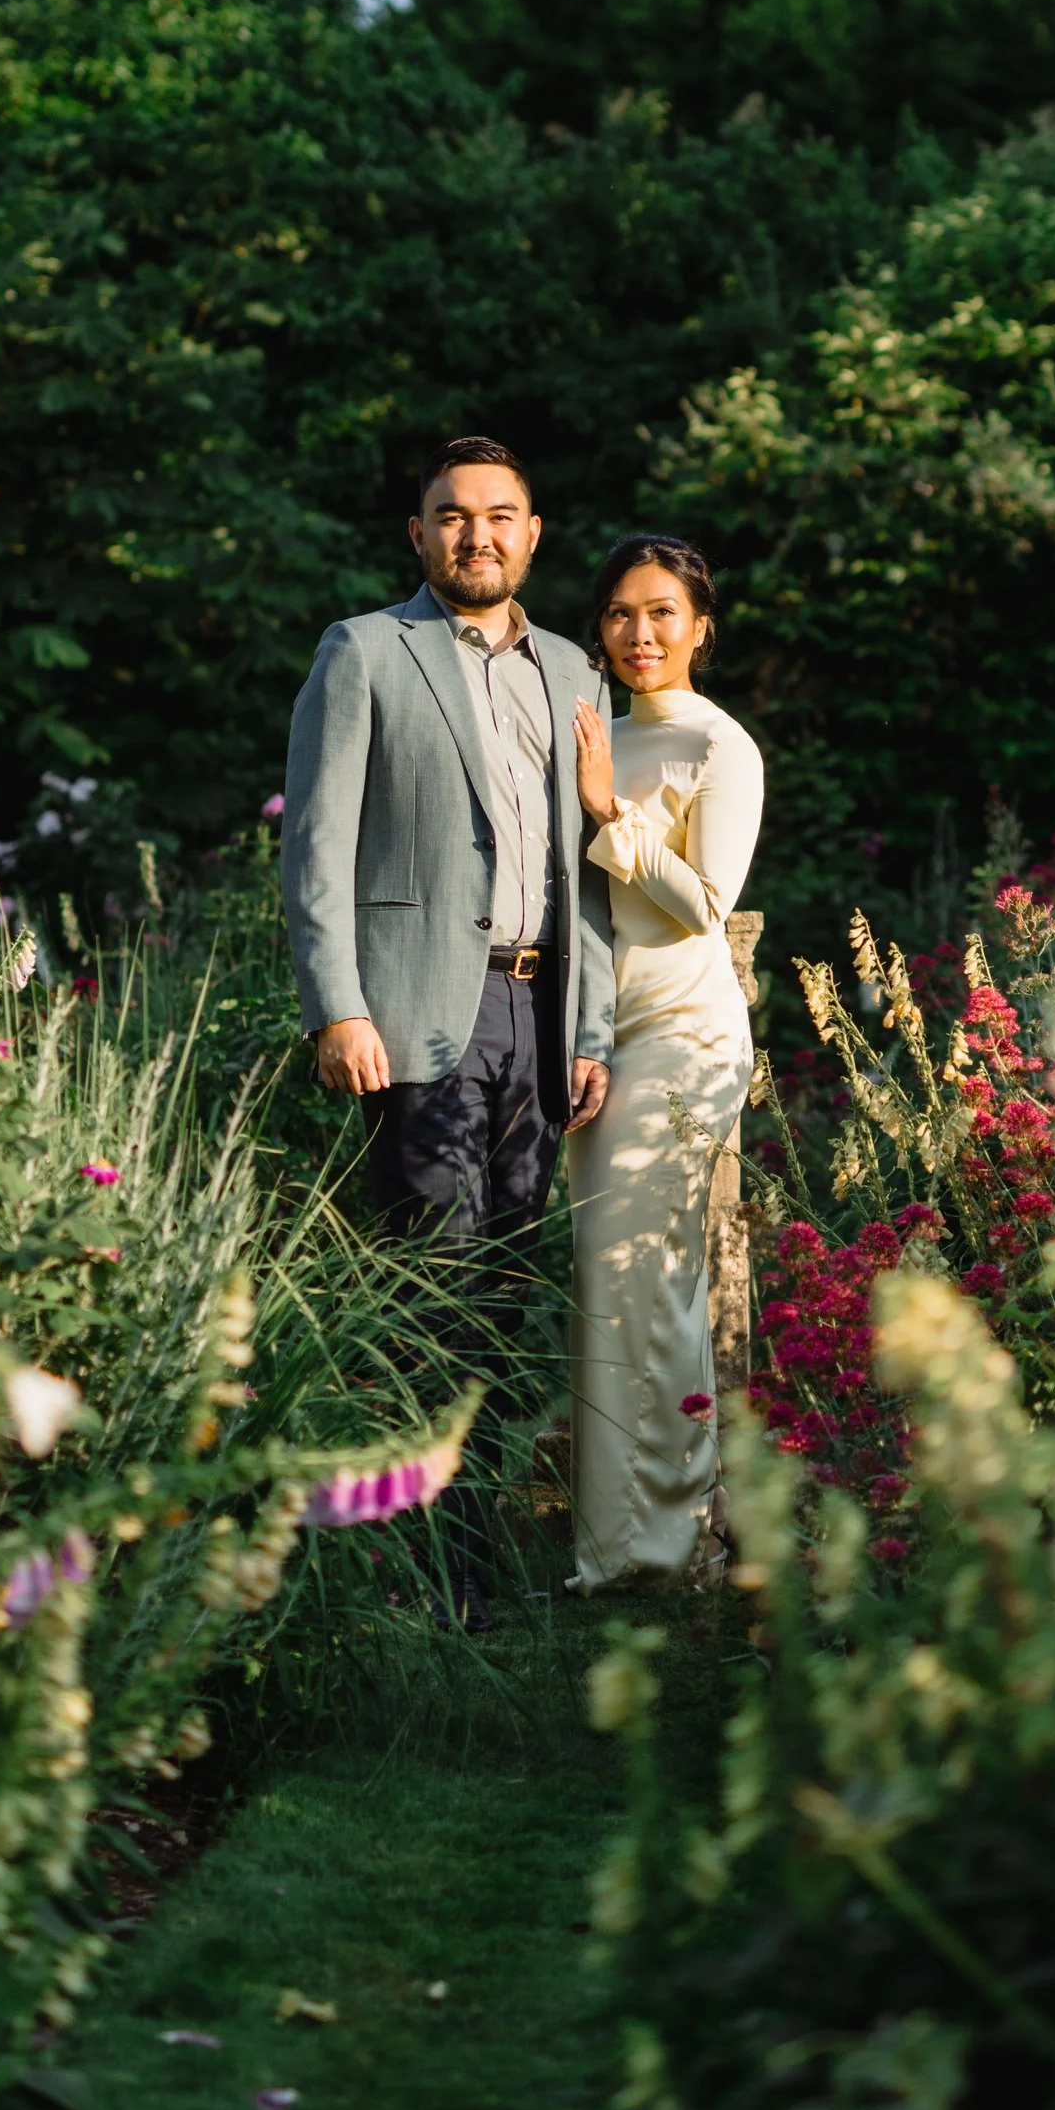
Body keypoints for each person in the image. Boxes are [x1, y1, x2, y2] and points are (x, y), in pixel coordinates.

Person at [280, 436, 615, 1625]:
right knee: (431, 1282)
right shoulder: (368, 650)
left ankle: (455, 1546)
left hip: (540, 1010)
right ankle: (442, 1578)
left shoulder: (575, 670)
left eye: (500, 515)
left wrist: (592, 1027)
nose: (478, 533)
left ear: (532, 533)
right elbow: (314, 845)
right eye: (452, 515)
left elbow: (592, 869)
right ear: (417, 536)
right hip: (421, 1007)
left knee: (509, 1288)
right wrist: (339, 1006)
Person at [567, 532, 764, 1591]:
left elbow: (704, 906)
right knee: (610, 1285)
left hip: (682, 1033)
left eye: (661, 612)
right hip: (601, 1033)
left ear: (700, 627)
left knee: (645, 1279)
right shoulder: (597, 730)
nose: (640, 634)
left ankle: (665, 1548)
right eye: (619, 613)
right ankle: (618, 1547)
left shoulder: (716, 746)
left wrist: (610, 813)